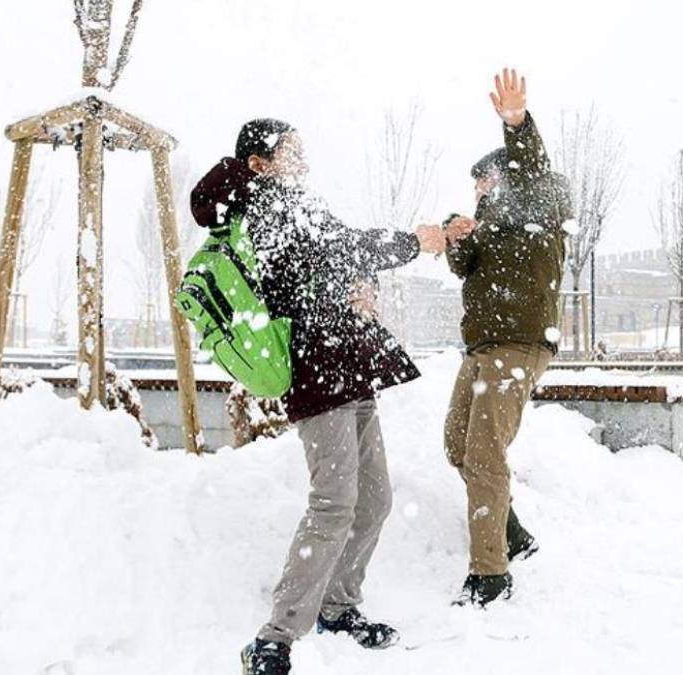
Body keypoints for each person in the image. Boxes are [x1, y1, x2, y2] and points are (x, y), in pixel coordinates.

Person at [190, 119, 446, 675]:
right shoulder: (262, 205)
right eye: (291, 150)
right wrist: (413, 242)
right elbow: (339, 250)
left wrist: (363, 288)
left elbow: (332, 264)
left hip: (348, 365)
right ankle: (274, 637)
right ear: (260, 163)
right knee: (333, 503)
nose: (303, 158)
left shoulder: (292, 201)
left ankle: (338, 607)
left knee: (373, 500)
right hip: (316, 370)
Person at [441, 68, 573, 608]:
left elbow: (532, 168)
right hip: (483, 347)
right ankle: (512, 531)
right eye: (475, 186)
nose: (479, 191)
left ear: (507, 176)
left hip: (518, 345)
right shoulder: (489, 224)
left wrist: (515, 123)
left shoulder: (539, 202)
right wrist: (456, 235)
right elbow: (463, 267)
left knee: (485, 454)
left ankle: (490, 574)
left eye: (485, 182)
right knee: (457, 444)